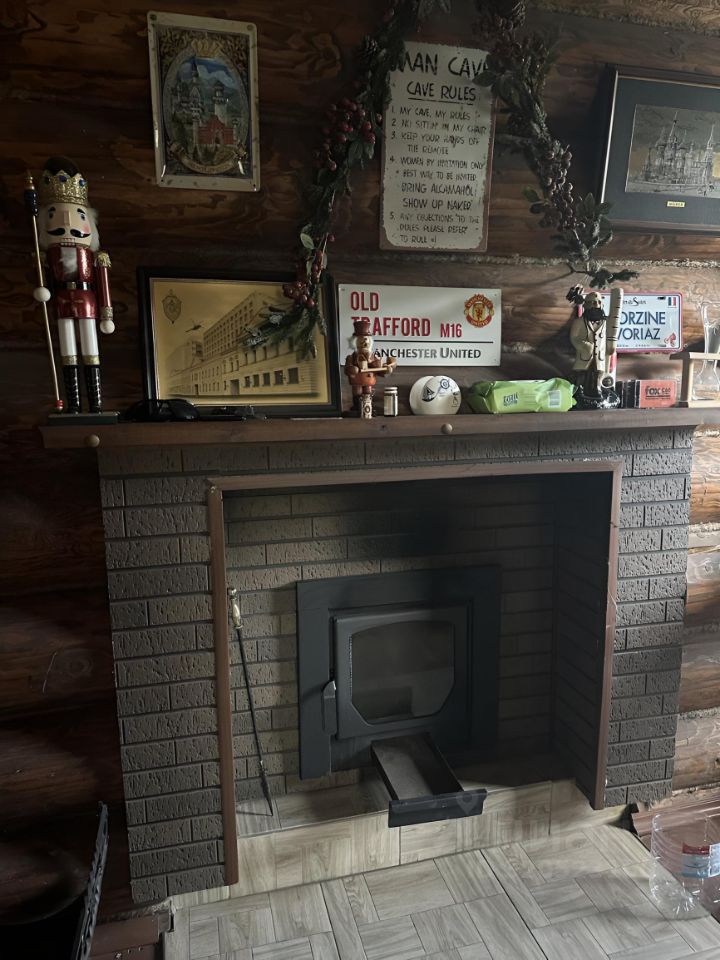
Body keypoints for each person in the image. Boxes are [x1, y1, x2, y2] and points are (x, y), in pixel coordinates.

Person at [32, 156, 114, 413]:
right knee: (68, 352)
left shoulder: (96, 256)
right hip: (61, 301)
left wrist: (107, 314)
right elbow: (45, 280)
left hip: (87, 301)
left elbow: (103, 284)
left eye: (77, 216)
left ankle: (96, 403)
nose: (67, 222)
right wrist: (43, 287)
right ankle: (74, 404)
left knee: (91, 350)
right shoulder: (47, 256)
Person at [343, 319, 397, 417]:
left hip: (369, 381)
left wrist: (386, 370)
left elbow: (380, 371)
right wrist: (352, 369)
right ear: (355, 342)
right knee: (357, 392)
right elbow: (347, 369)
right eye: (361, 339)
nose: (365, 341)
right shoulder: (352, 357)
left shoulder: (373, 357)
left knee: (368, 393)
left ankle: (368, 408)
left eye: (366, 339)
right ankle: (357, 408)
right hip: (357, 381)